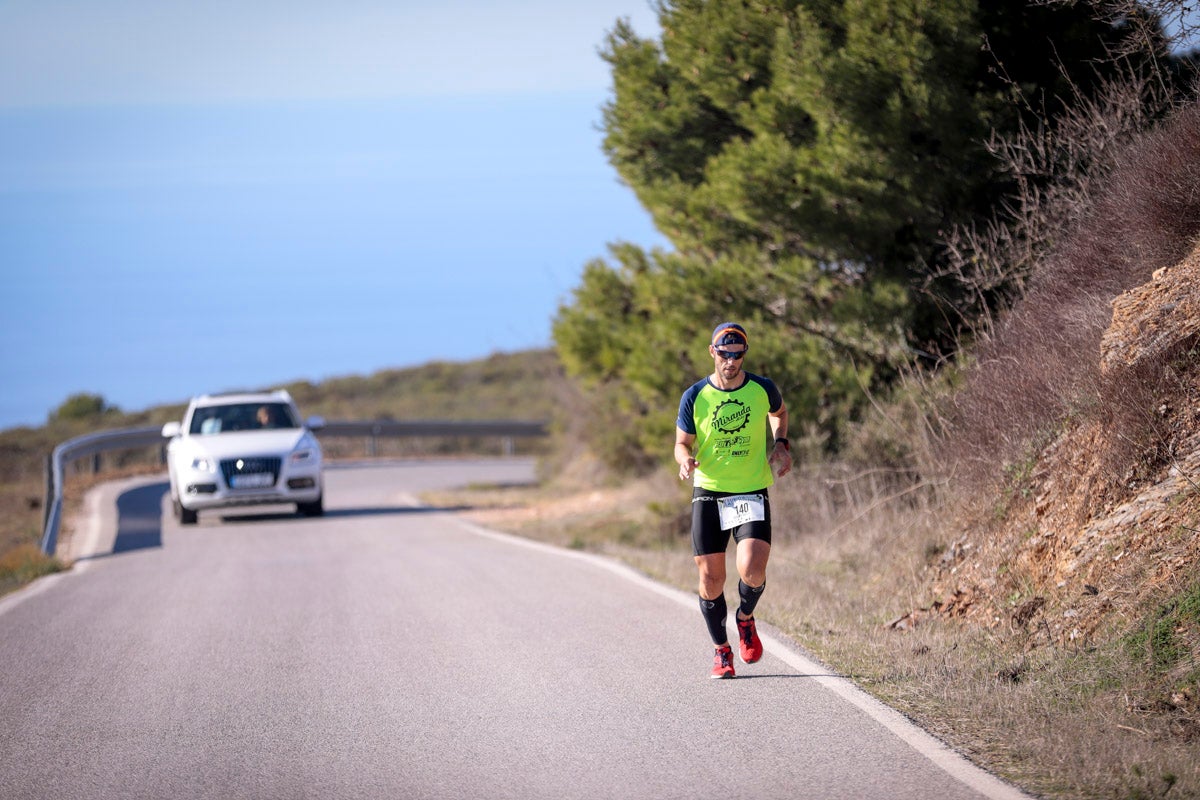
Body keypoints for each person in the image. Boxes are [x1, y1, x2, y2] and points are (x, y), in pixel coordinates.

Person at [674, 322, 791, 678]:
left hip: (750, 488)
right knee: (711, 578)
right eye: (724, 354)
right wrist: (684, 460)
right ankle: (721, 652)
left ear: (744, 354)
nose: (731, 361)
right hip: (709, 490)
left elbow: (779, 414)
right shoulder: (695, 395)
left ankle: (745, 618)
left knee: (752, 569)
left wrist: (781, 444)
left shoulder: (762, 388)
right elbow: (682, 443)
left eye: (738, 355)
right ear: (713, 352)